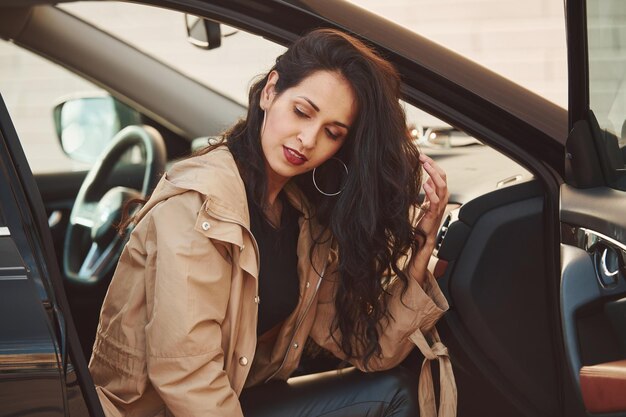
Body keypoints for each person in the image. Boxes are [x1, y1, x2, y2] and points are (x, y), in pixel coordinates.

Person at [88, 28, 456, 417]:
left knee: (393, 390)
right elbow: (186, 375)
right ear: (270, 91)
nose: (308, 139)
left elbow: (367, 349)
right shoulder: (199, 206)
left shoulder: (304, 218)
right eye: (302, 112)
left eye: (332, 133)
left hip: (235, 400)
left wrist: (421, 247)